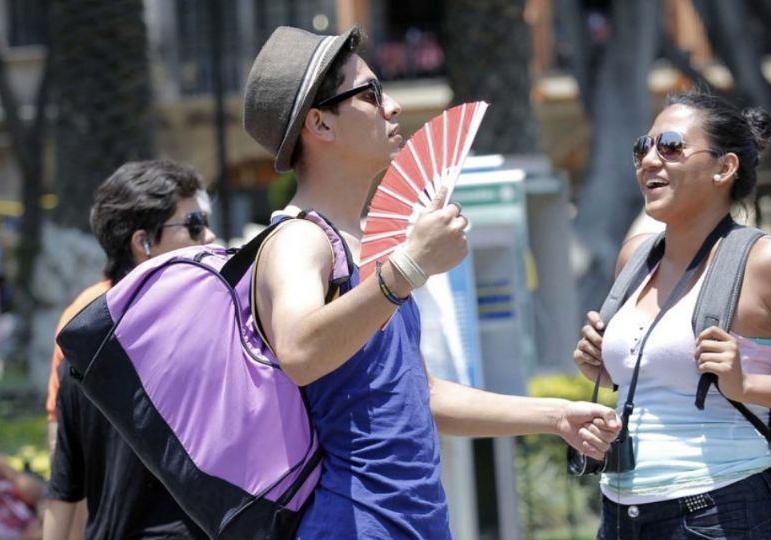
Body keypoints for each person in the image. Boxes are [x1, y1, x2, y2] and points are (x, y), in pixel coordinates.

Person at [242, 26, 621, 539]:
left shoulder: (365, 247)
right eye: (371, 93)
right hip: (350, 524)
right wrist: (410, 268)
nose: (392, 106)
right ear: (320, 124)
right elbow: (299, 351)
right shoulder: (299, 240)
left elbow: (417, 392)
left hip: (413, 521)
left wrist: (556, 416)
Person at [572, 92, 771, 539]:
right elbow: (661, 379)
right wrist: (602, 364)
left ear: (725, 167)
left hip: (719, 513)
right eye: (643, 147)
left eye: (672, 146)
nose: (649, 161)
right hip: (622, 515)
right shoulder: (635, 260)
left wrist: (748, 385)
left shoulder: (770, 264)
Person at [43, 160, 214, 540]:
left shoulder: (80, 350)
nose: (211, 237)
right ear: (144, 244)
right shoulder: (211, 339)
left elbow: (63, 487)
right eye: (194, 225)